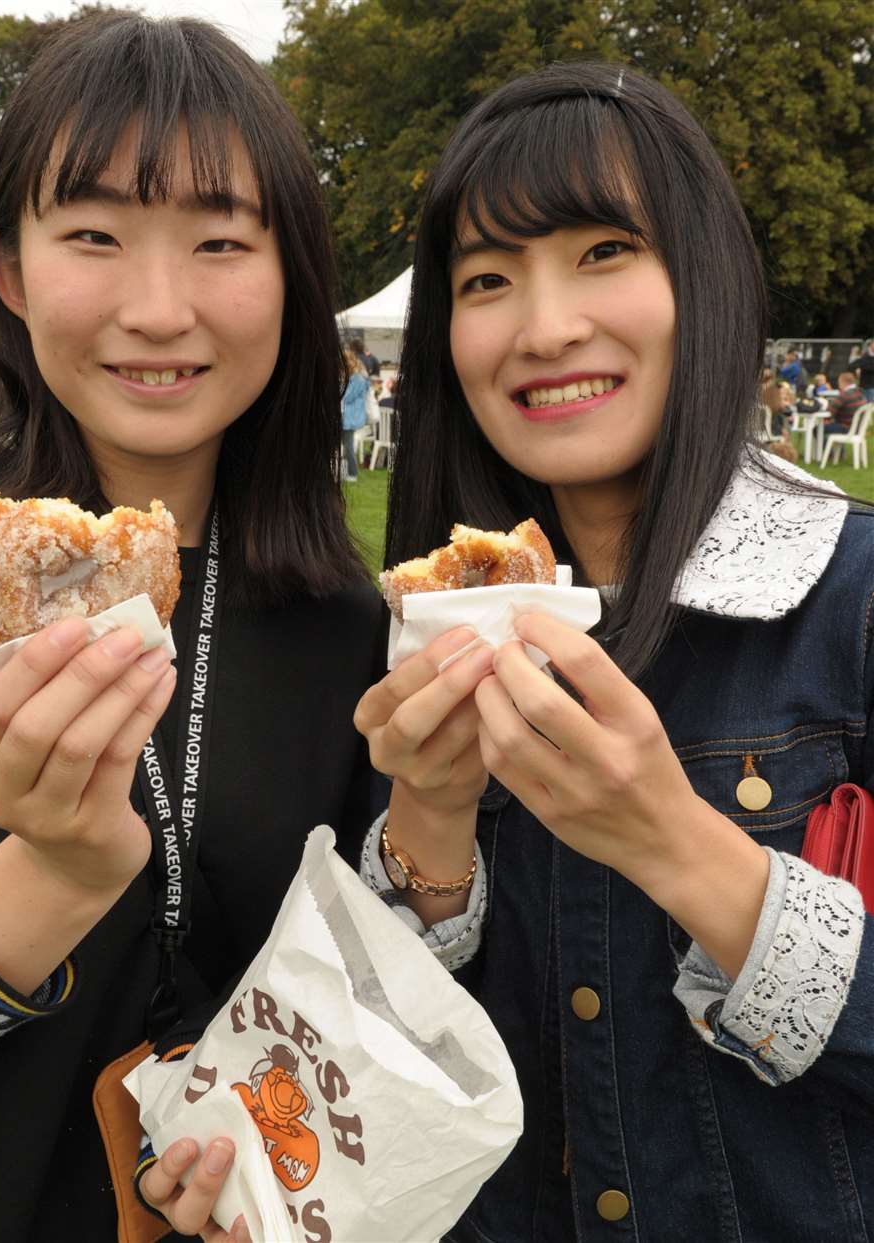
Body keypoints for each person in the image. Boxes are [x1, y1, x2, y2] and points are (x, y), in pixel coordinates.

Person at [0, 15, 384, 1243]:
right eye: (95, 237)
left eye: (222, 242)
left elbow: (348, 1002)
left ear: (291, 279)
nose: (158, 309)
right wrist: (48, 879)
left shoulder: (343, 626)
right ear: (7, 271)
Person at [352, 62, 874, 1240]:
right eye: (488, 281)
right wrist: (427, 823)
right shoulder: (418, 637)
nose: (546, 329)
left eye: (603, 253)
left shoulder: (852, 603)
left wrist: (672, 840)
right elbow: (385, 1081)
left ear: (706, 277)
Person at [340, 347, 370, 482]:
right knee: (345, 446)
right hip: (346, 417)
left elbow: (347, 396)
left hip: (350, 418)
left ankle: (353, 474)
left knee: (348, 446)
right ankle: (347, 472)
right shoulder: (354, 377)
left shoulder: (357, 378)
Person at [824, 369, 868, 436]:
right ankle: (836, 446)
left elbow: (830, 412)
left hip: (847, 428)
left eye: (839, 382)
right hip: (859, 428)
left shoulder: (845, 395)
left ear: (843, 382)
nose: (838, 385)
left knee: (817, 428)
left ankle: (826, 446)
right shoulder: (861, 393)